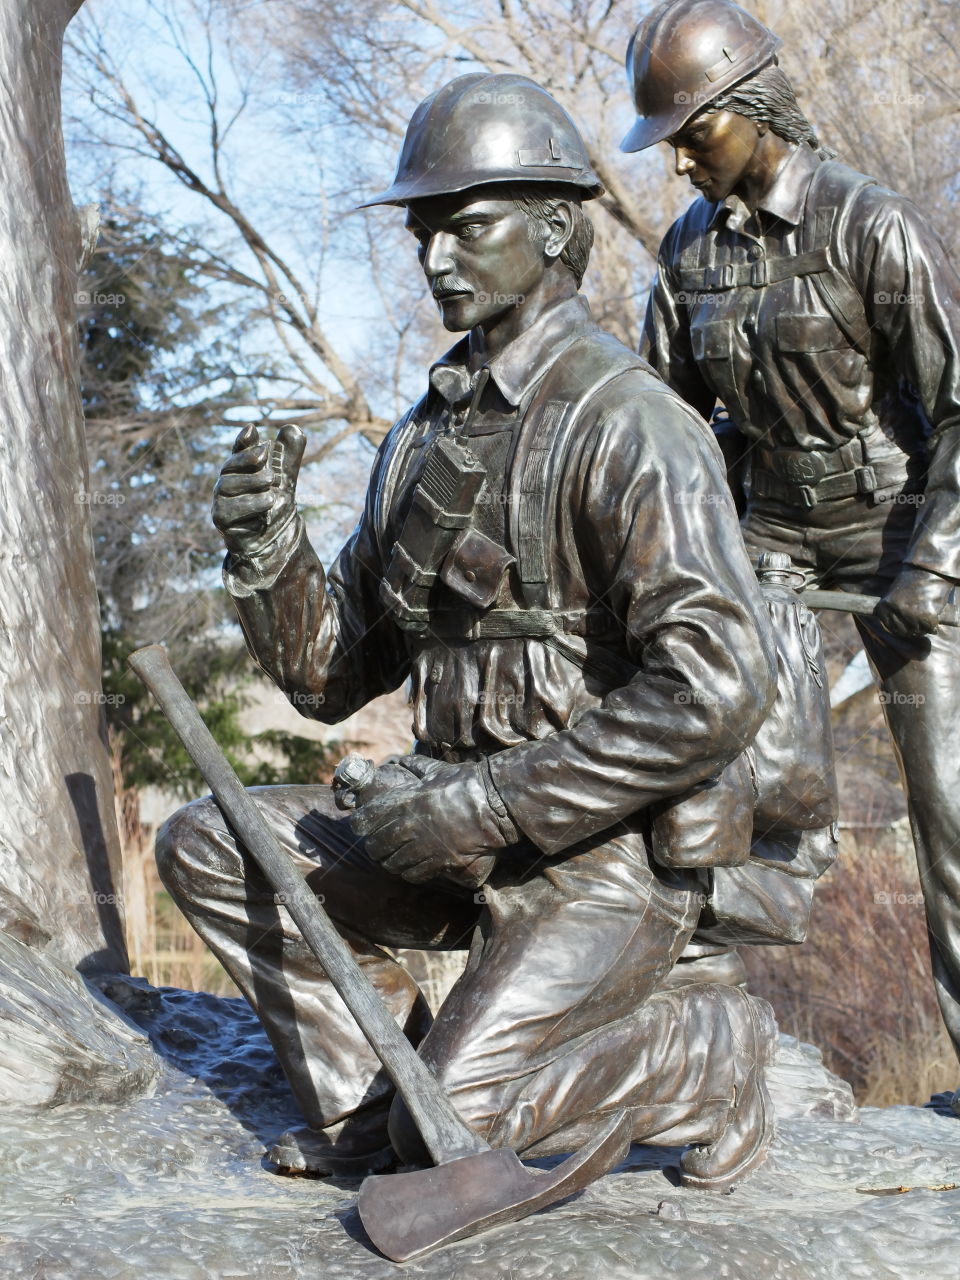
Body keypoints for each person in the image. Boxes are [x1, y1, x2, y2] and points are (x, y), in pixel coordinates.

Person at [157, 73, 785, 1191]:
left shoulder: (630, 423)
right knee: (213, 841)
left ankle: (706, 1049)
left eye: (465, 226)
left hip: (599, 863)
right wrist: (266, 548)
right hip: (441, 836)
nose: (436, 256)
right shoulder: (423, 439)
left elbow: (716, 684)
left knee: (462, 1118)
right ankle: (373, 1106)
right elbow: (330, 672)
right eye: (422, 232)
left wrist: (488, 804)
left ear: (553, 228)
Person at [623, 0, 960, 1070]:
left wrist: (935, 567)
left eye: (695, 132)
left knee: (950, 807)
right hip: (768, 542)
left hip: (898, 534)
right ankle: (703, 1063)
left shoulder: (871, 224)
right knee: (753, 792)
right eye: (670, 142)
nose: (680, 162)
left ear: (755, 106)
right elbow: (666, 431)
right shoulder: (687, 255)